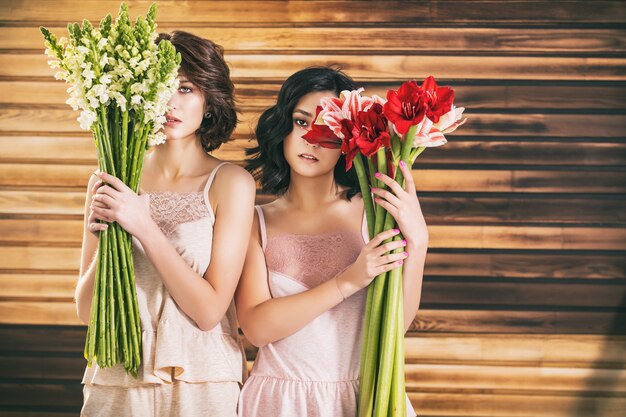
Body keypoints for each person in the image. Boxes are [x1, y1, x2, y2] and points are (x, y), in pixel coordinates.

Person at [75, 31, 255, 417]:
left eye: (187, 88)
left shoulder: (230, 183)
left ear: (209, 100)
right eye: (159, 87)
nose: (170, 102)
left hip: (203, 379)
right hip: (117, 374)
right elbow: (88, 310)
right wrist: (104, 240)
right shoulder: (110, 177)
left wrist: (142, 225)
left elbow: (209, 312)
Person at [236, 66, 426, 416]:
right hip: (279, 401)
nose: (312, 139)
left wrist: (419, 242)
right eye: (301, 121)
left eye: (328, 128)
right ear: (283, 126)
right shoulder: (253, 221)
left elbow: (396, 325)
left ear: (347, 141)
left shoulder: (375, 214)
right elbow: (257, 328)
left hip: (364, 395)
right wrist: (347, 281)